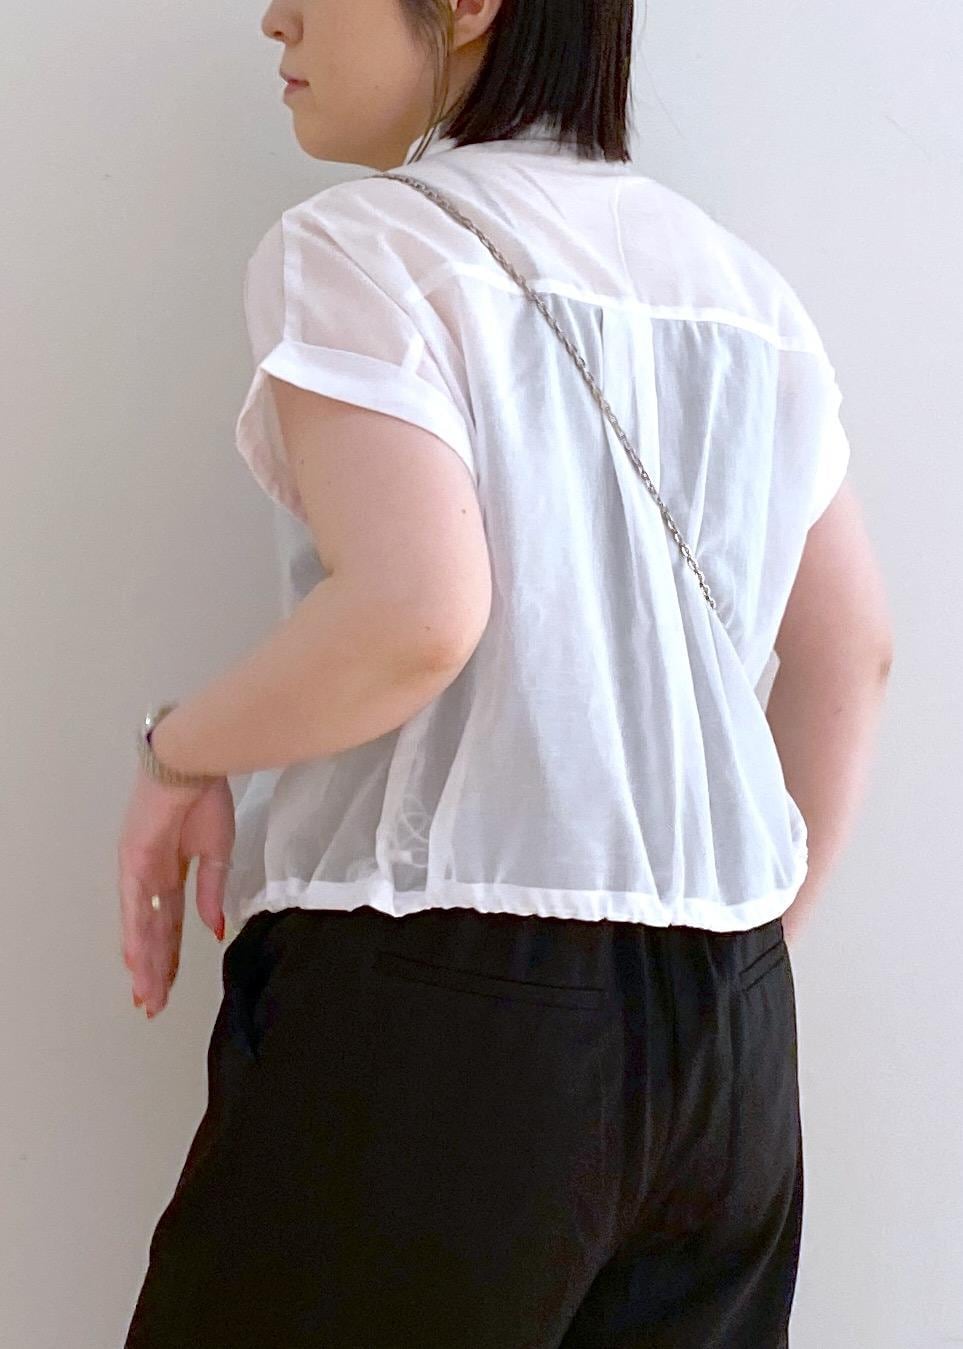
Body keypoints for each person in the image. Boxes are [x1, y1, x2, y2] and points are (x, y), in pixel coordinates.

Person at [118, 1, 894, 1345]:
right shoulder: (743, 293)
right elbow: (853, 649)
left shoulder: (365, 248)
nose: (276, 16)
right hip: (732, 1054)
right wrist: (735, 954)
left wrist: (177, 750)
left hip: (449, 1017)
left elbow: (416, 614)